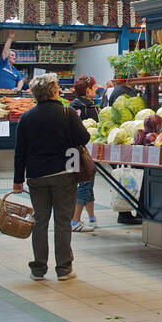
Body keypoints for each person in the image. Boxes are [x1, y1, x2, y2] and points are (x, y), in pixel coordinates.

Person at [12, 73, 90, 281]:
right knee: (63, 221)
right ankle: (64, 269)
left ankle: (38, 268)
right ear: (55, 91)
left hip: (36, 176)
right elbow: (85, 137)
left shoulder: (26, 117)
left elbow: (20, 152)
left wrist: (17, 180)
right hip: (64, 173)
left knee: (40, 221)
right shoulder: (67, 113)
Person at [69, 76, 100, 233]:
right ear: (87, 90)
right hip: (82, 151)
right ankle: (75, 220)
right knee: (85, 182)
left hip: (71, 151)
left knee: (83, 182)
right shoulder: (88, 107)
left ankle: (92, 217)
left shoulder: (72, 106)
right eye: (93, 88)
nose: (95, 90)